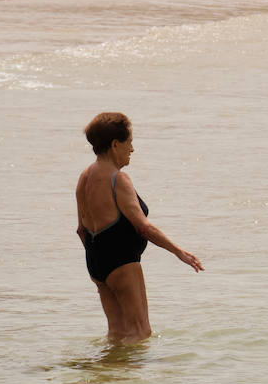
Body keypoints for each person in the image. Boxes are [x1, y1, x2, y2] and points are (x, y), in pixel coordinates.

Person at [75, 112, 203, 343]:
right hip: (121, 262)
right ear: (115, 144)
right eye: (129, 143)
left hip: (96, 262)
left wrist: (101, 270)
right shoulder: (118, 179)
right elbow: (143, 227)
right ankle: (127, 377)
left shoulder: (84, 177)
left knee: (116, 333)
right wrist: (179, 252)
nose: (132, 149)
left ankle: (107, 377)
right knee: (140, 332)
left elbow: (81, 230)